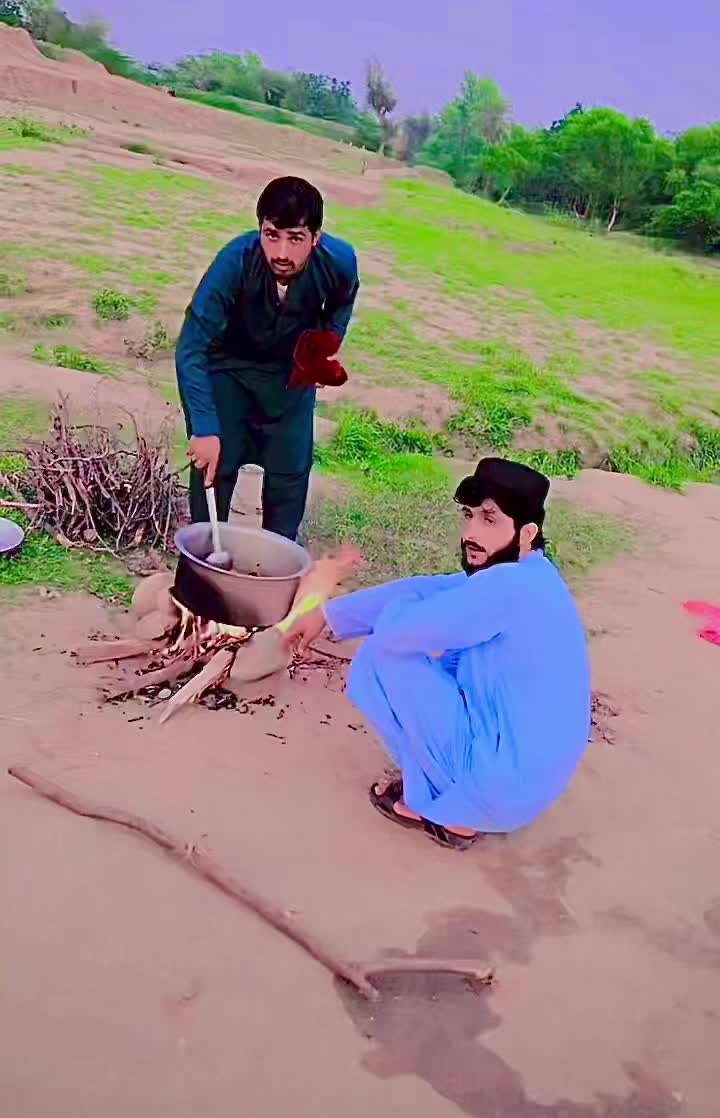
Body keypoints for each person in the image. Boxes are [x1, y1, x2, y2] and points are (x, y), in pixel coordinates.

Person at [287, 458, 591, 849]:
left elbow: (399, 631)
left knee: (385, 654)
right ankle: (450, 797)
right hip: (526, 789)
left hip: (496, 790)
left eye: (489, 519)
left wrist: (398, 617)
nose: (471, 533)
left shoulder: (508, 587)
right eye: (469, 516)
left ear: (526, 533)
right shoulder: (534, 576)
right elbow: (427, 589)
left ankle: (443, 810)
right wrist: (330, 615)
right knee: (442, 653)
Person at [176, 176, 359, 541]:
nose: (281, 253)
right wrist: (205, 427)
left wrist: (325, 343)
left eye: (296, 238)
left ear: (316, 238)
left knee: (289, 481)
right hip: (229, 372)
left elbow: (344, 299)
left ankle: (275, 565)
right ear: (260, 228)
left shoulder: (340, 261)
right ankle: (203, 562)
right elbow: (191, 347)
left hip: (289, 380)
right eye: (272, 235)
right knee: (214, 474)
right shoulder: (235, 261)